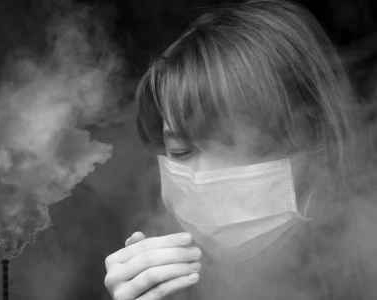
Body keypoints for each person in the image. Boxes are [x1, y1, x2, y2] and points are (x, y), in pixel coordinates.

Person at [104, 0, 374, 299]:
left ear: (316, 138)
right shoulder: (173, 282)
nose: (203, 180)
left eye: (236, 146)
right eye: (180, 151)